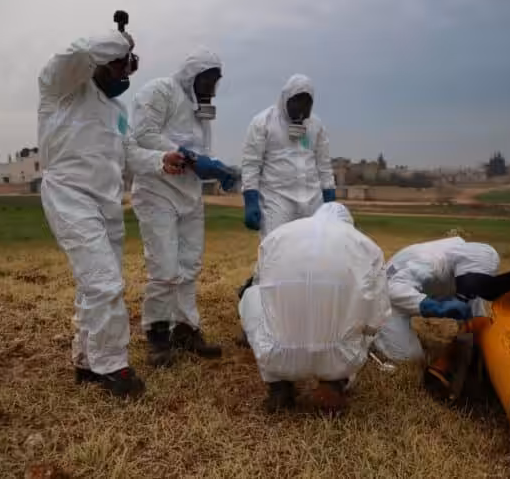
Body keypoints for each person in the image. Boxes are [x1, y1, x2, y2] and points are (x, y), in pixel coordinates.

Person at [38, 25, 186, 399]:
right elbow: (74, 51)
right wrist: (120, 41)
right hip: (69, 196)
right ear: (100, 61)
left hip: (107, 203)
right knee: (104, 282)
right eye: (118, 66)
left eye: (129, 68)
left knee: (96, 284)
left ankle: (87, 360)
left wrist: (160, 159)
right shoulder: (63, 88)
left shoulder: (117, 111)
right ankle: (112, 365)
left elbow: (128, 154)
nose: (124, 75)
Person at [129, 46, 236, 367]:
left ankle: (186, 329)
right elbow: (144, 134)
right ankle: (158, 334)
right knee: (164, 268)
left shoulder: (201, 111)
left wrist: (217, 169)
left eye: (217, 81)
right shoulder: (160, 90)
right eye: (208, 79)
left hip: (189, 196)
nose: (212, 87)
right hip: (156, 191)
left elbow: (198, 152)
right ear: (192, 75)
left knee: (189, 265)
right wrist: (191, 157)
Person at [238, 202, 390, 414]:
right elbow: (377, 320)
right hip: (339, 359)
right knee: (369, 312)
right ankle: (335, 383)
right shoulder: (367, 246)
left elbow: (261, 283)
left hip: (278, 356)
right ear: (348, 223)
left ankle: (279, 384)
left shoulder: (277, 236)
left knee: (251, 294)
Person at [373, 237, 501, 363]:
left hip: (427, 290)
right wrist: (433, 306)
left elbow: (474, 305)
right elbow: (392, 290)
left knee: (475, 339)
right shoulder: (428, 262)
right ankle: (371, 337)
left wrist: (479, 335)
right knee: (410, 359)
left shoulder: (470, 263)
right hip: (389, 302)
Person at [240, 74, 336, 238]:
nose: (301, 110)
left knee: (312, 254)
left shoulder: (316, 126)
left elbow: (324, 165)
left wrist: (330, 199)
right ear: (286, 99)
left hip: (313, 201)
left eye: (307, 104)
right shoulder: (263, 122)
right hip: (276, 201)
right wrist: (250, 200)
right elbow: (251, 164)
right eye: (297, 102)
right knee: (276, 253)